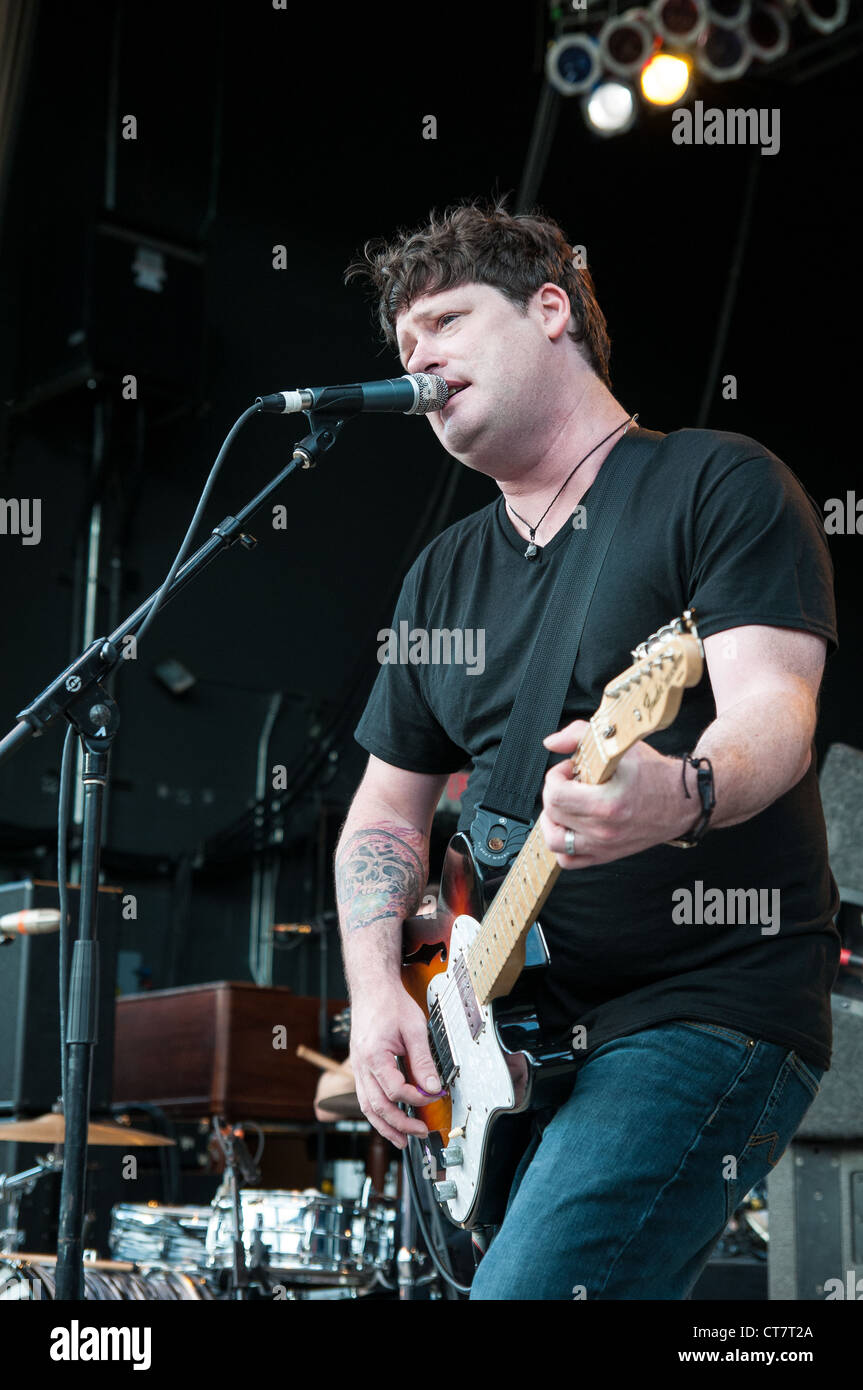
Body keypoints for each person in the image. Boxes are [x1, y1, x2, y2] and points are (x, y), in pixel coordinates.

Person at [333, 200, 839, 1300]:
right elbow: (384, 812)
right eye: (403, 347)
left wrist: (685, 788)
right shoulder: (442, 574)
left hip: (702, 1004)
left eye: (446, 323)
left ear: (550, 308)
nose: (418, 361)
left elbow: (774, 709)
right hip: (519, 1040)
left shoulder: (715, 483)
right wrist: (375, 991)